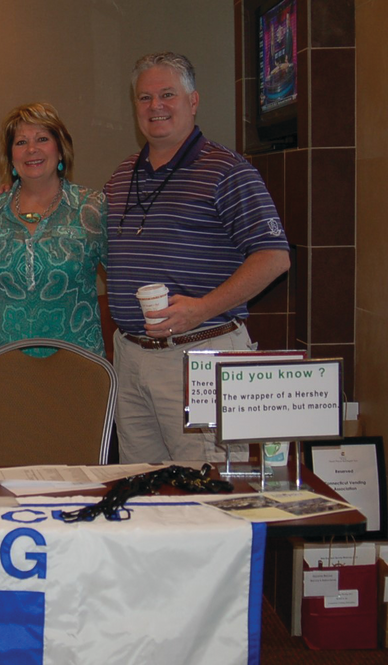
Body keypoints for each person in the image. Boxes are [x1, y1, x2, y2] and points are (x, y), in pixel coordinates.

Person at [103, 52, 290, 464]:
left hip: (199, 355)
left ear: (193, 101)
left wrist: (202, 308)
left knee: (210, 487)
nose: (156, 106)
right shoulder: (121, 177)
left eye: (167, 94)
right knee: (142, 492)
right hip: (131, 359)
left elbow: (275, 257)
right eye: (144, 97)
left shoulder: (228, 170)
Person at [0, 103, 107, 357]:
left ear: (61, 151)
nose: (32, 149)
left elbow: (123, 278)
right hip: (4, 361)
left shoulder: (91, 208)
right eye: (20, 142)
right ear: (10, 156)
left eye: (42, 139)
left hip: (77, 363)